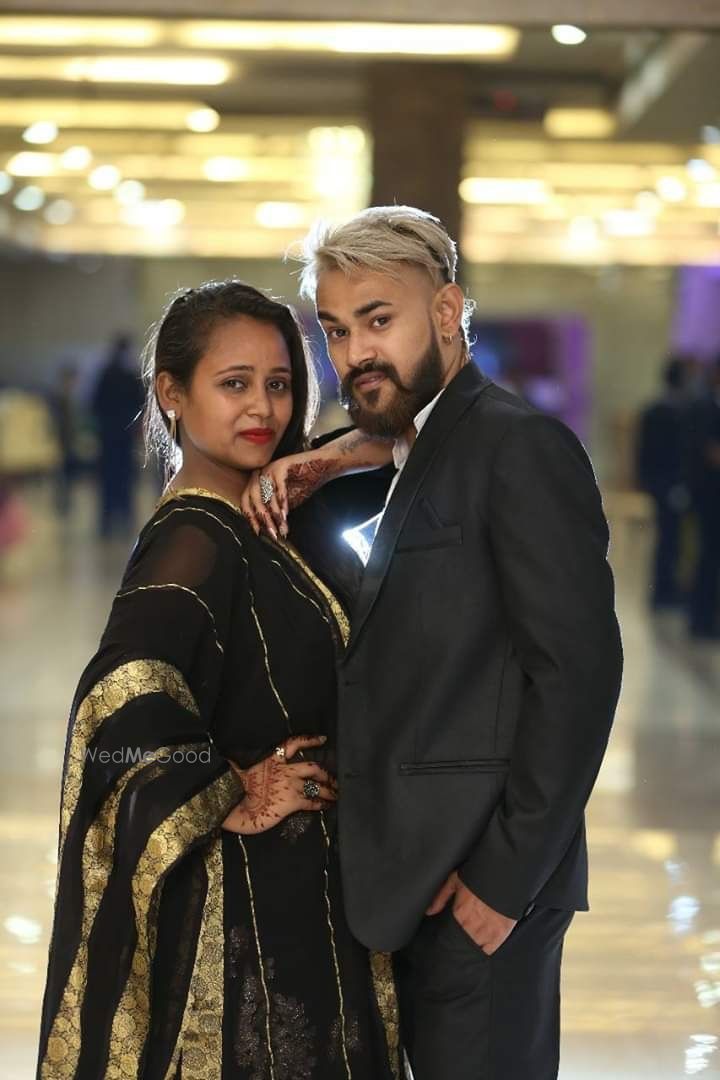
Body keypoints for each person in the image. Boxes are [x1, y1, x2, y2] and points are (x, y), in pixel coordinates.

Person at [252, 206, 624, 1080]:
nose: (355, 353)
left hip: (484, 889)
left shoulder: (521, 447)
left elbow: (578, 674)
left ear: (448, 310)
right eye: (336, 331)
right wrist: (328, 458)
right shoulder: (418, 447)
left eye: (379, 319)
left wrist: (504, 880)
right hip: (412, 879)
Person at [36, 281, 400, 1080]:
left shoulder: (255, 519)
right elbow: (119, 708)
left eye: (279, 383)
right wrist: (232, 788)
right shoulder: (195, 538)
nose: (263, 407)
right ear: (172, 394)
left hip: (301, 900)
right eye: (234, 384)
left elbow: (410, 436)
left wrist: (320, 461)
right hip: (248, 928)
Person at [635, 355, 692, 609]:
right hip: (668, 483)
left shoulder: (654, 410)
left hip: (658, 482)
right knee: (669, 540)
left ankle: (666, 590)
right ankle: (663, 593)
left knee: (669, 539)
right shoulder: (674, 412)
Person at [92, 334, 145, 538]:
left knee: (108, 480)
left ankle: (106, 523)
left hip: (108, 436)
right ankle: (125, 520)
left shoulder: (105, 373)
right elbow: (141, 403)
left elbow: (95, 404)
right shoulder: (131, 375)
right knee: (125, 479)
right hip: (125, 436)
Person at [687, 355, 720, 639]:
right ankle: (701, 621)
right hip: (708, 497)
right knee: (708, 557)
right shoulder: (703, 407)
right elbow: (706, 451)